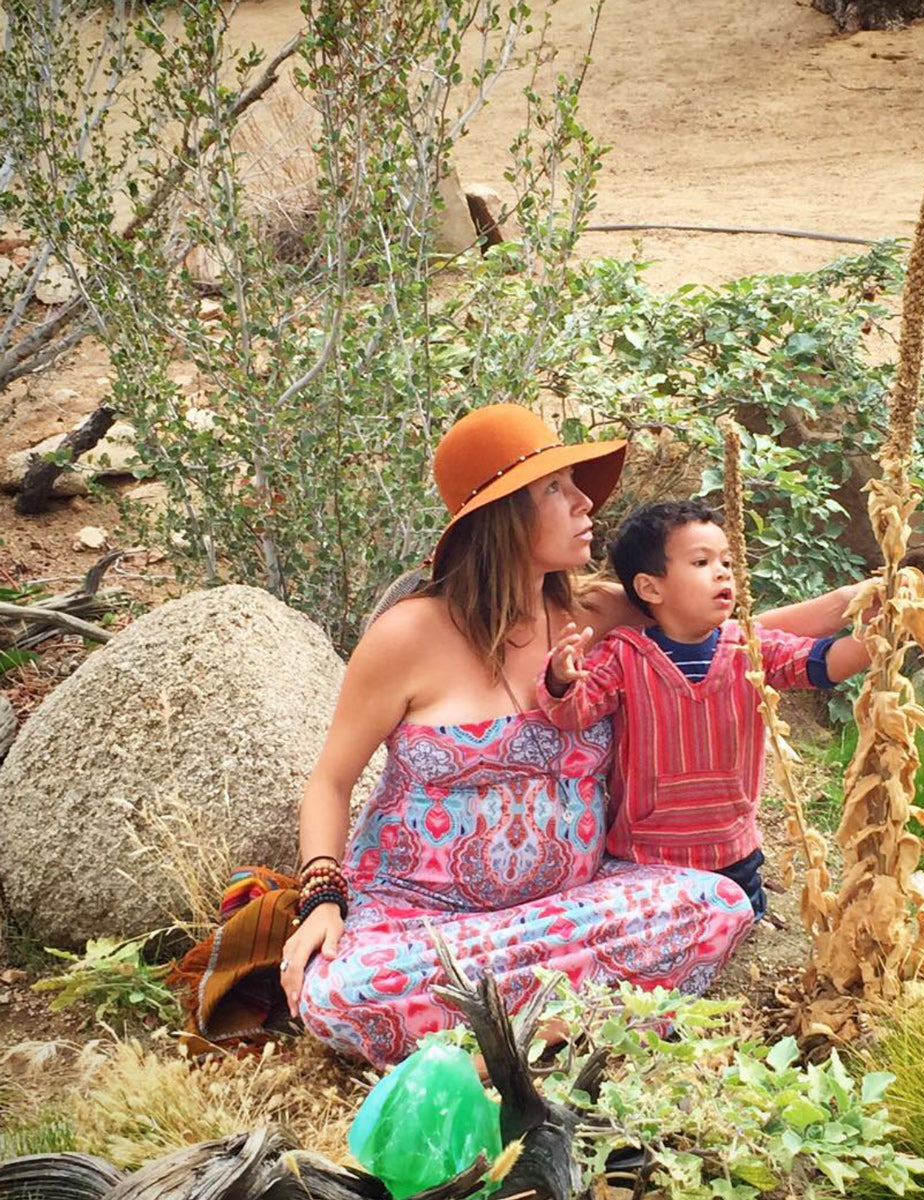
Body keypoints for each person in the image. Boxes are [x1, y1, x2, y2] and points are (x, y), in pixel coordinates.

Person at [281, 403, 872, 1066]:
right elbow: (330, 782)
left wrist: (868, 598)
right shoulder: (407, 637)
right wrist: (324, 900)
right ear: (501, 517)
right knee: (338, 993)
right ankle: (574, 1023)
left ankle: (500, 1037)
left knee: (718, 902)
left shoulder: (598, 613)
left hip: (576, 905)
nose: (585, 501)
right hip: (422, 918)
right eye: (555, 489)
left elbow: (734, 639)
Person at [538, 500, 868, 920]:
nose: (723, 571)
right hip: (646, 857)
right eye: (701, 561)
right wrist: (560, 679)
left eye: (727, 561)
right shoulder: (623, 656)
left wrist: (881, 629)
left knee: (732, 931)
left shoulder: (749, 646)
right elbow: (574, 712)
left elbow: (823, 664)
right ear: (650, 588)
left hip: (733, 855)